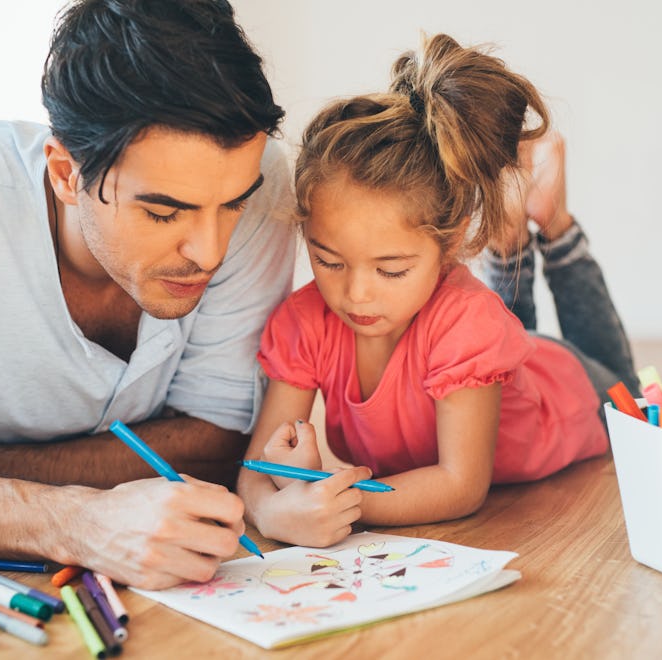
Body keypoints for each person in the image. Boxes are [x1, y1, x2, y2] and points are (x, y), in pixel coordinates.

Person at [0, 0, 296, 589]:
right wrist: (77, 520)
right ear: (67, 175)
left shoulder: (263, 181)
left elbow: (218, 440)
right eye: (165, 212)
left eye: (234, 206)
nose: (211, 251)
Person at [237, 33, 639, 548]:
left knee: (633, 394)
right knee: (505, 325)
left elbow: (460, 485)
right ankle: (509, 240)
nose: (356, 294)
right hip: (503, 355)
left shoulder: (468, 323)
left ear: (451, 244)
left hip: (576, 391)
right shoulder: (304, 322)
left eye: (392, 270)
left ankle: (553, 224)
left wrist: (334, 504)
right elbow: (252, 471)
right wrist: (273, 511)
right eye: (327, 260)